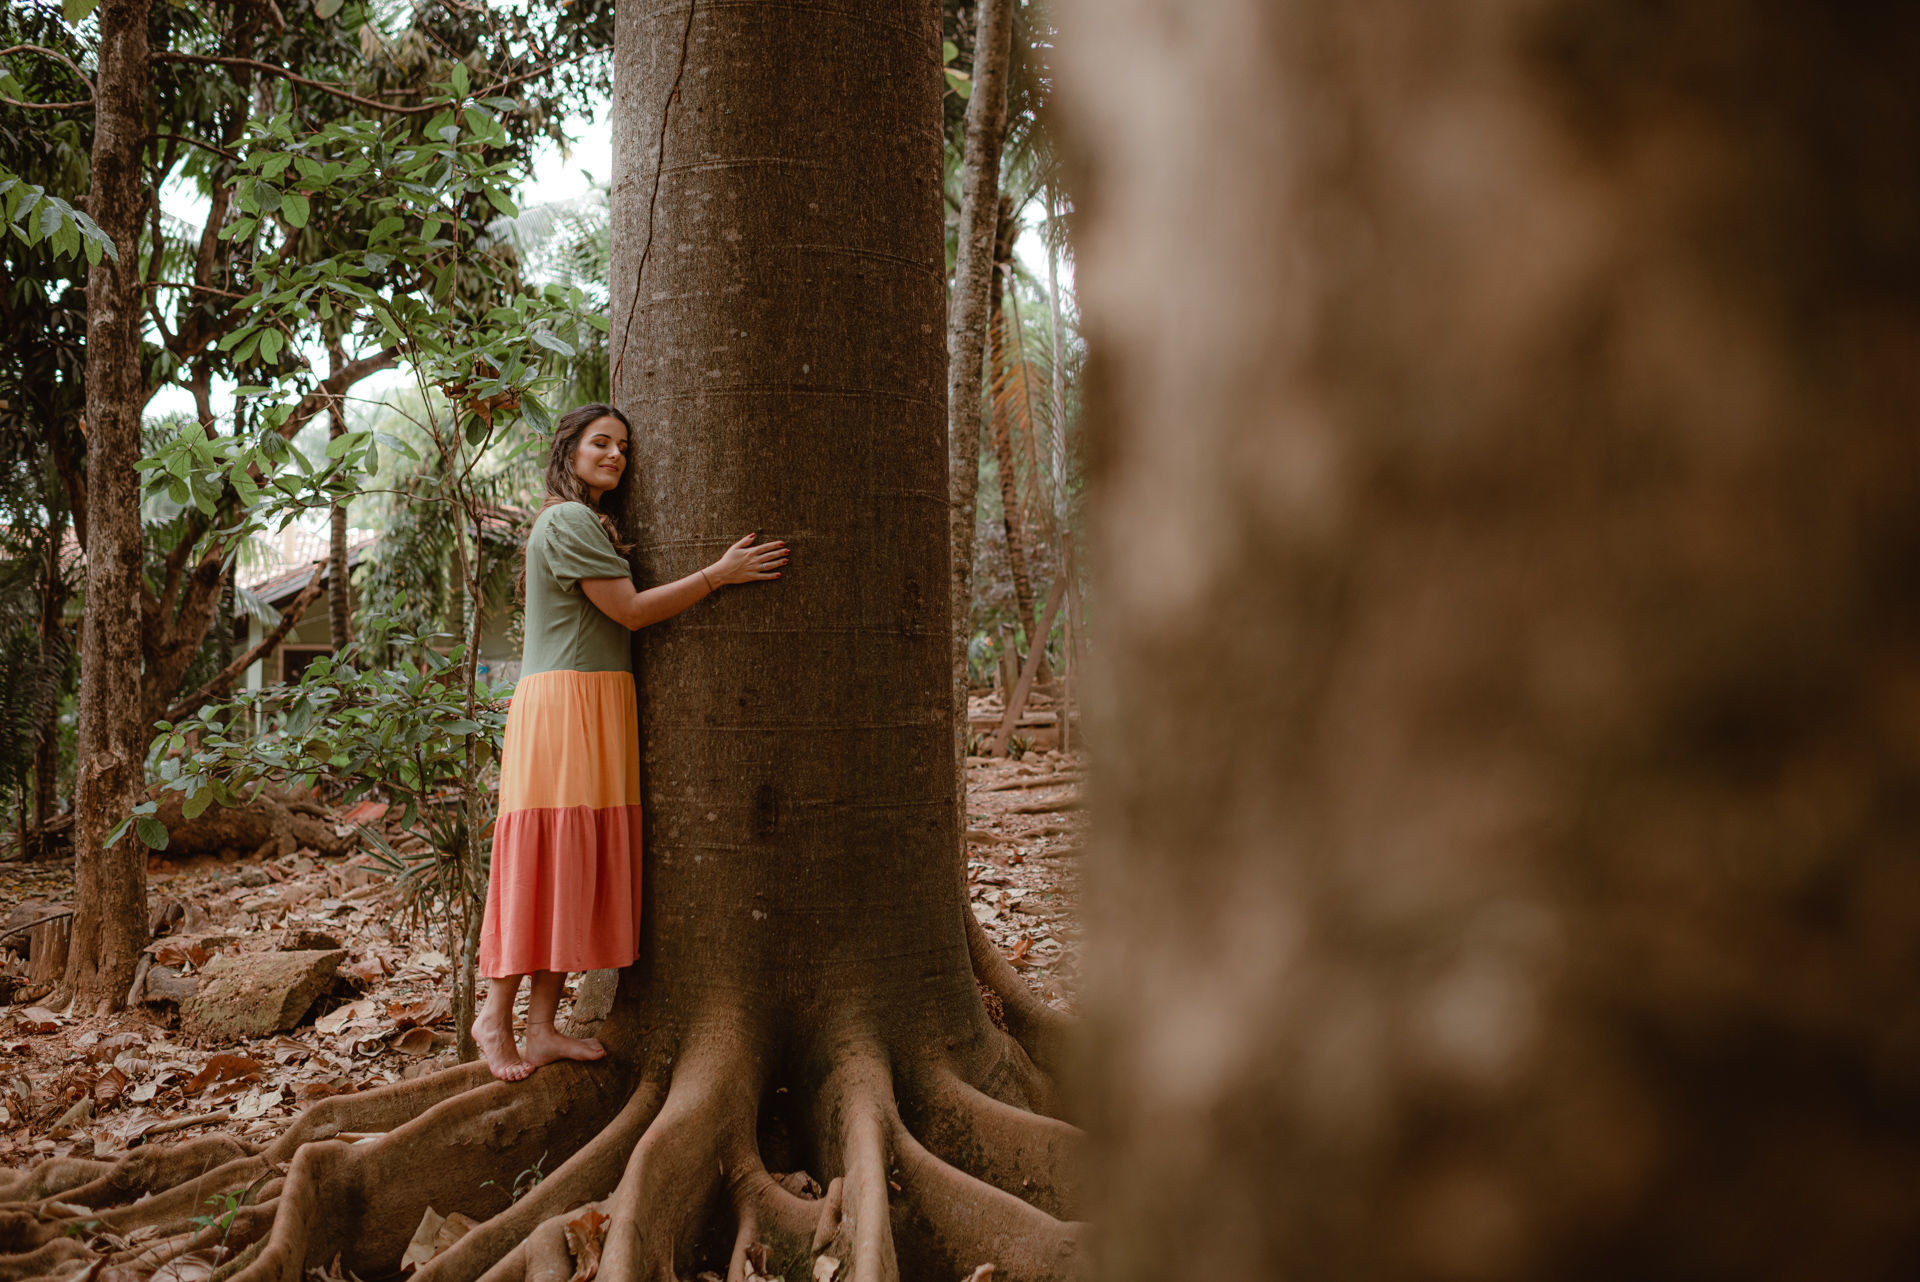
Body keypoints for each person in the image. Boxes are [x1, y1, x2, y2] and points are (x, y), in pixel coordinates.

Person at [471, 402, 787, 1080]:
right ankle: (494, 1018)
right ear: (569, 451)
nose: (616, 455)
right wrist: (719, 574)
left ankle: (541, 1028)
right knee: (545, 858)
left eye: (623, 447)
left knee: (572, 861)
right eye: (601, 443)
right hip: (567, 707)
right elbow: (632, 611)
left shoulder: (582, 521)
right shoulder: (567, 520)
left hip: (596, 702)